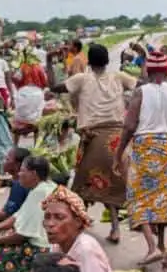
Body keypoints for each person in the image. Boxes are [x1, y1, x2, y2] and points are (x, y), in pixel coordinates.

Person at [47, 43, 137, 245]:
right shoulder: (119, 77)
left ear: (89, 61)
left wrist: (48, 61)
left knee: (81, 184)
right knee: (110, 184)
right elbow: (142, 85)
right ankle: (114, 228)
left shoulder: (82, 79)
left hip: (93, 137)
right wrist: (144, 56)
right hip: (116, 139)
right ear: (107, 61)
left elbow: (54, 87)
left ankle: (76, 226)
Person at [115, 50, 167, 266]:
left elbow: (129, 126)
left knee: (138, 196)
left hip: (145, 147)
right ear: (166, 70)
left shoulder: (140, 92)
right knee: (162, 198)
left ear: (148, 70)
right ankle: (161, 244)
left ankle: (151, 247)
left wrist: (118, 154)